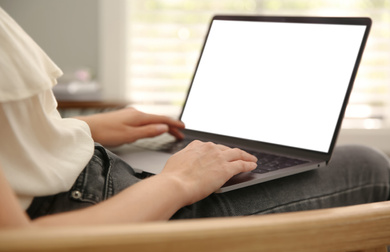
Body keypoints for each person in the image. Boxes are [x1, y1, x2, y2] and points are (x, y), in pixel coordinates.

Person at [0, 6, 389, 228]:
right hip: (118, 214)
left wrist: (81, 129)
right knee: (368, 166)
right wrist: (179, 182)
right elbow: (23, 246)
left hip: (99, 179)